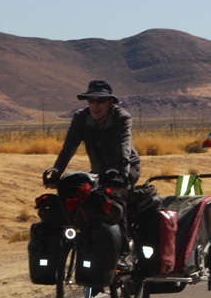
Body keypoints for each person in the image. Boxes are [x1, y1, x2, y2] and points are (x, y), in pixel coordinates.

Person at [44, 80, 141, 270]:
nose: (95, 106)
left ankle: (124, 254)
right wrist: (56, 171)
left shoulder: (121, 117)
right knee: (84, 199)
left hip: (126, 167)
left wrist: (122, 172)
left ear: (110, 102)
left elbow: (124, 144)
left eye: (100, 101)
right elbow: (69, 147)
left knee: (115, 198)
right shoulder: (81, 117)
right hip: (99, 171)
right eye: (91, 101)